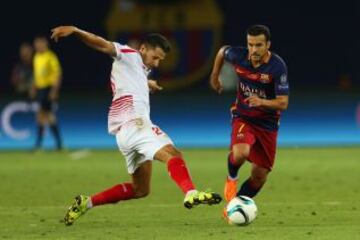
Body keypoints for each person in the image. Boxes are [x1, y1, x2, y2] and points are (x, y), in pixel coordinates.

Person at [50, 25, 222, 226]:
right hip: (136, 125)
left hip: (124, 134)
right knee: (173, 155)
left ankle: (86, 203)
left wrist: (148, 83)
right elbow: (100, 43)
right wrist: (76, 31)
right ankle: (191, 193)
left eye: (160, 60)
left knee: (140, 189)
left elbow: (132, 79)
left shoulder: (138, 69)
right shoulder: (128, 54)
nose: (156, 63)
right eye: (155, 57)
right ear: (143, 49)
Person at [209, 25, 289, 206]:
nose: (253, 49)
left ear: (268, 44)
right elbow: (222, 51)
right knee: (240, 153)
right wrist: (214, 76)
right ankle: (231, 178)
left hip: (268, 124)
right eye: (250, 45)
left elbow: (283, 103)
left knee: (259, 177)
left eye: (258, 45)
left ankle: (234, 206)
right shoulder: (238, 55)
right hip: (243, 116)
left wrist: (262, 102)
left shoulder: (277, 67)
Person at [30, 36, 63, 150]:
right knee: (47, 116)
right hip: (40, 90)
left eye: (39, 44)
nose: (37, 46)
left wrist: (54, 91)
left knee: (43, 116)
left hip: (48, 89)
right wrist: (34, 87)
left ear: (45, 44)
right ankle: (58, 144)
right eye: (36, 44)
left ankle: (39, 145)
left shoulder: (50, 57)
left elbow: (57, 74)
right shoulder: (36, 57)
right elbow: (36, 74)